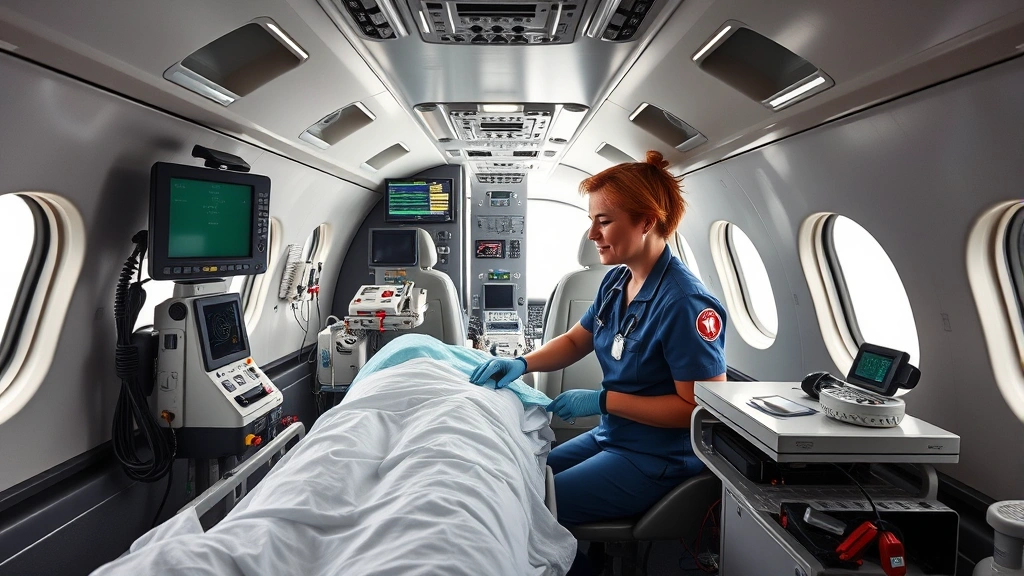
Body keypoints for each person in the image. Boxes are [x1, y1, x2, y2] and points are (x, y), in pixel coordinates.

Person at [469, 150, 728, 533]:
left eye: (603, 222)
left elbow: (696, 409)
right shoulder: (616, 281)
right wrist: (523, 363)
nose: (593, 235)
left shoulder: (686, 303)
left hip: (658, 456)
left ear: (647, 221)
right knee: (517, 476)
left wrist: (601, 400)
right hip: (613, 434)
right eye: (592, 222)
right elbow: (577, 340)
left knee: (530, 507)